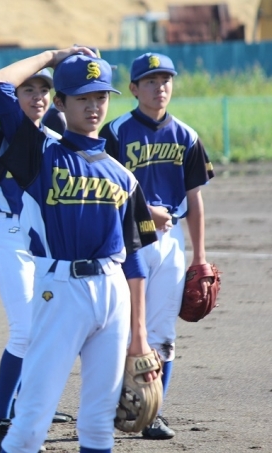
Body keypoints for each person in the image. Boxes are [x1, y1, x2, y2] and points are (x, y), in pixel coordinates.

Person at [0, 47, 159, 453]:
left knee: (99, 424)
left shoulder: (123, 176)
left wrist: (140, 336)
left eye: (100, 96)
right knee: (31, 422)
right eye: (82, 97)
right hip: (61, 291)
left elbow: (135, 260)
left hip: (113, 294)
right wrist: (52, 56)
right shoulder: (38, 152)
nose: (93, 106)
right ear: (60, 103)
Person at [99, 52, 215, 440]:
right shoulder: (116, 132)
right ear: (134, 89)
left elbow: (194, 198)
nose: (159, 87)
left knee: (162, 331)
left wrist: (200, 256)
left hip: (170, 243)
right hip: (125, 239)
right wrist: (146, 210)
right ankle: (107, 406)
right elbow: (103, 188)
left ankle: (152, 412)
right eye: (150, 81)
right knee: (119, 326)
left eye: (165, 80)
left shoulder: (186, 136)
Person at [0, 68, 69, 451]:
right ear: (14, 96)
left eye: (43, 90)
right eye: (28, 89)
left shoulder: (58, 141)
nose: (37, 96)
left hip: (46, 239)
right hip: (8, 234)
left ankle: (27, 406)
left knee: (45, 328)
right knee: (24, 330)